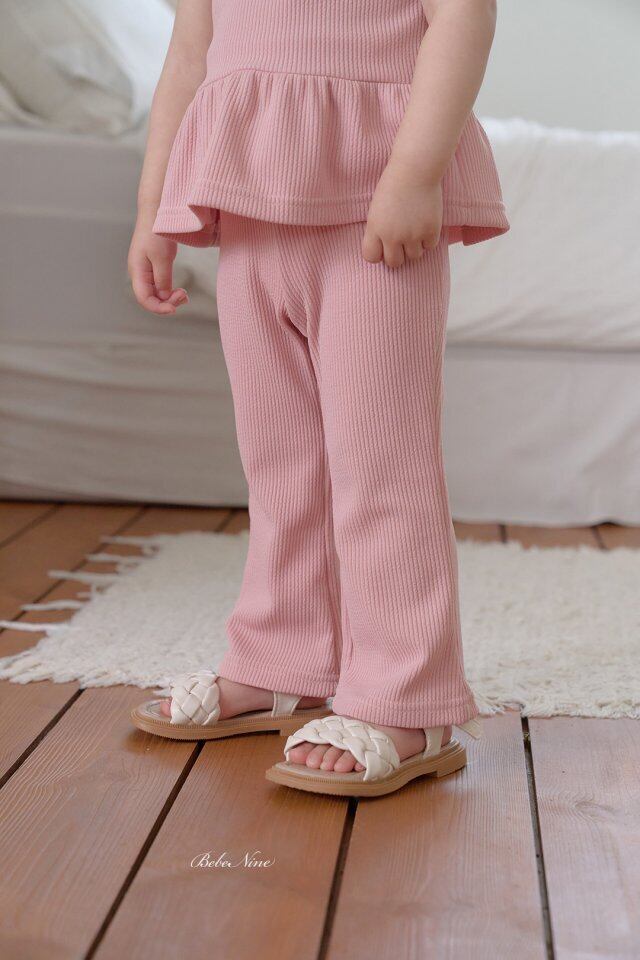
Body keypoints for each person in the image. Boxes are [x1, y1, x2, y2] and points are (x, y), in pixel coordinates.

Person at [129, 0, 508, 797]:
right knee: (280, 463)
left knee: (382, 468)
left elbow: (463, 16)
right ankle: (282, 660)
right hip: (251, 206)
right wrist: (153, 210)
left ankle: (409, 699)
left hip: (375, 207)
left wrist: (415, 173)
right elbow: (192, 50)